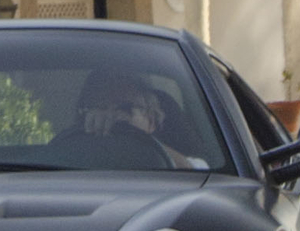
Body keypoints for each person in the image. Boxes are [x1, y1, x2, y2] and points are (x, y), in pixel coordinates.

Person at [70, 70, 208, 170]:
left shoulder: (187, 173)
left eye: (124, 108)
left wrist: (137, 138)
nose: (112, 117)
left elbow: (198, 171)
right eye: (100, 109)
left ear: (152, 120)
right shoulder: (66, 159)